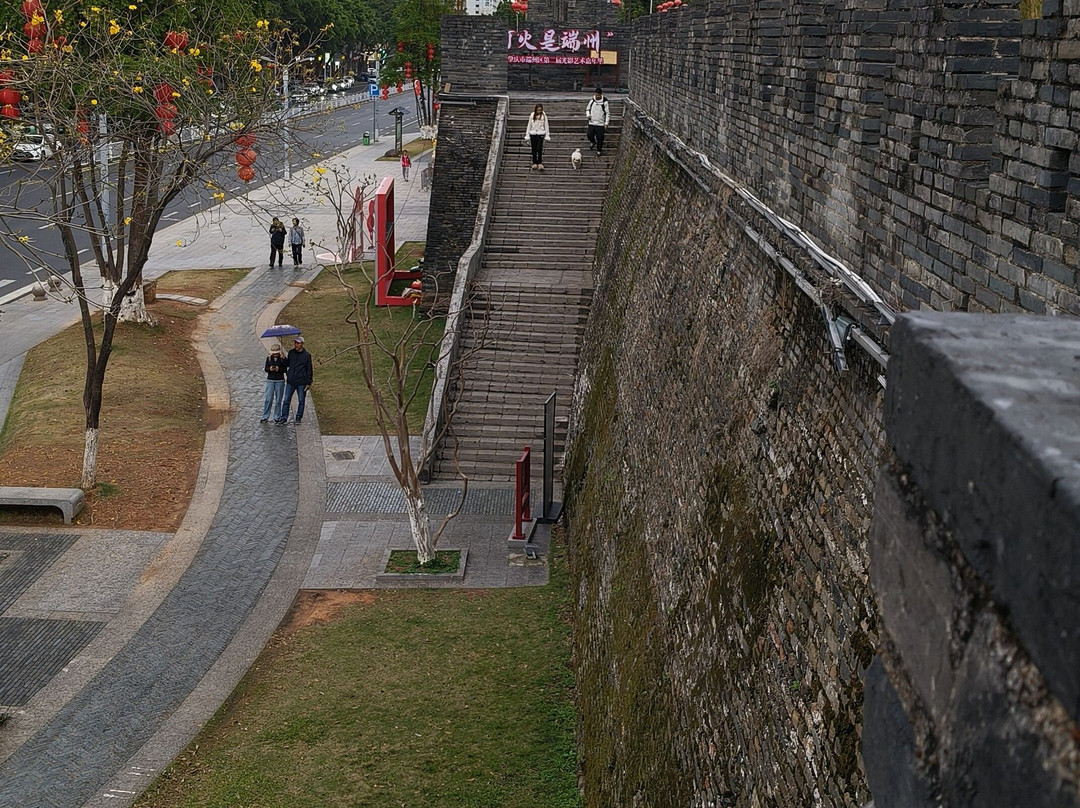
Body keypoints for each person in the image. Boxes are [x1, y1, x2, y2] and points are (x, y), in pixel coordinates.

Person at [276, 336, 313, 424]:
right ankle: (284, 417)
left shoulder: (306, 355)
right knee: (286, 400)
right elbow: (288, 364)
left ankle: (298, 417)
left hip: (301, 382)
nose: (296, 345)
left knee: (301, 400)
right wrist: (283, 358)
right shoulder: (291, 353)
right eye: (295, 343)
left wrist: (309, 382)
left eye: (298, 343)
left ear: (302, 344)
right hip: (291, 381)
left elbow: (309, 369)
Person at [260, 344, 287, 423]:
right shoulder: (269, 358)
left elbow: (285, 368)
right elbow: (266, 369)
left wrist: (279, 368)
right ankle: (265, 416)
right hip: (270, 380)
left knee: (278, 400)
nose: (275, 355)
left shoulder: (282, 358)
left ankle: (277, 416)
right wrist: (270, 369)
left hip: (280, 380)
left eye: (276, 353)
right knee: (268, 399)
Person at [524, 103, 551, 170]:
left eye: (540, 110)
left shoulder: (544, 116)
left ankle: (539, 162)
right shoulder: (532, 115)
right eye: (538, 110)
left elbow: (546, 125)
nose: (539, 111)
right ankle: (534, 162)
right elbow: (529, 125)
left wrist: (547, 134)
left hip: (540, 133)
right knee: (534, 149)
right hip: (533, 134)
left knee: (539, 148)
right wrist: (527, 134)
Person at [586, 87, 610, 156]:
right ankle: (593, 142)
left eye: (599, 95)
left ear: (601, 94)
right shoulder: (592, 101)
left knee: (600, 138)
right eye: (596, 95)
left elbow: (607, 113)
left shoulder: (605, 102)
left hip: (600, 124)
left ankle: (599, 150)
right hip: (592, 122)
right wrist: (588, 115)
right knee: (589, 134)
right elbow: (587, 109)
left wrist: (606, 123)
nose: (597, 97)